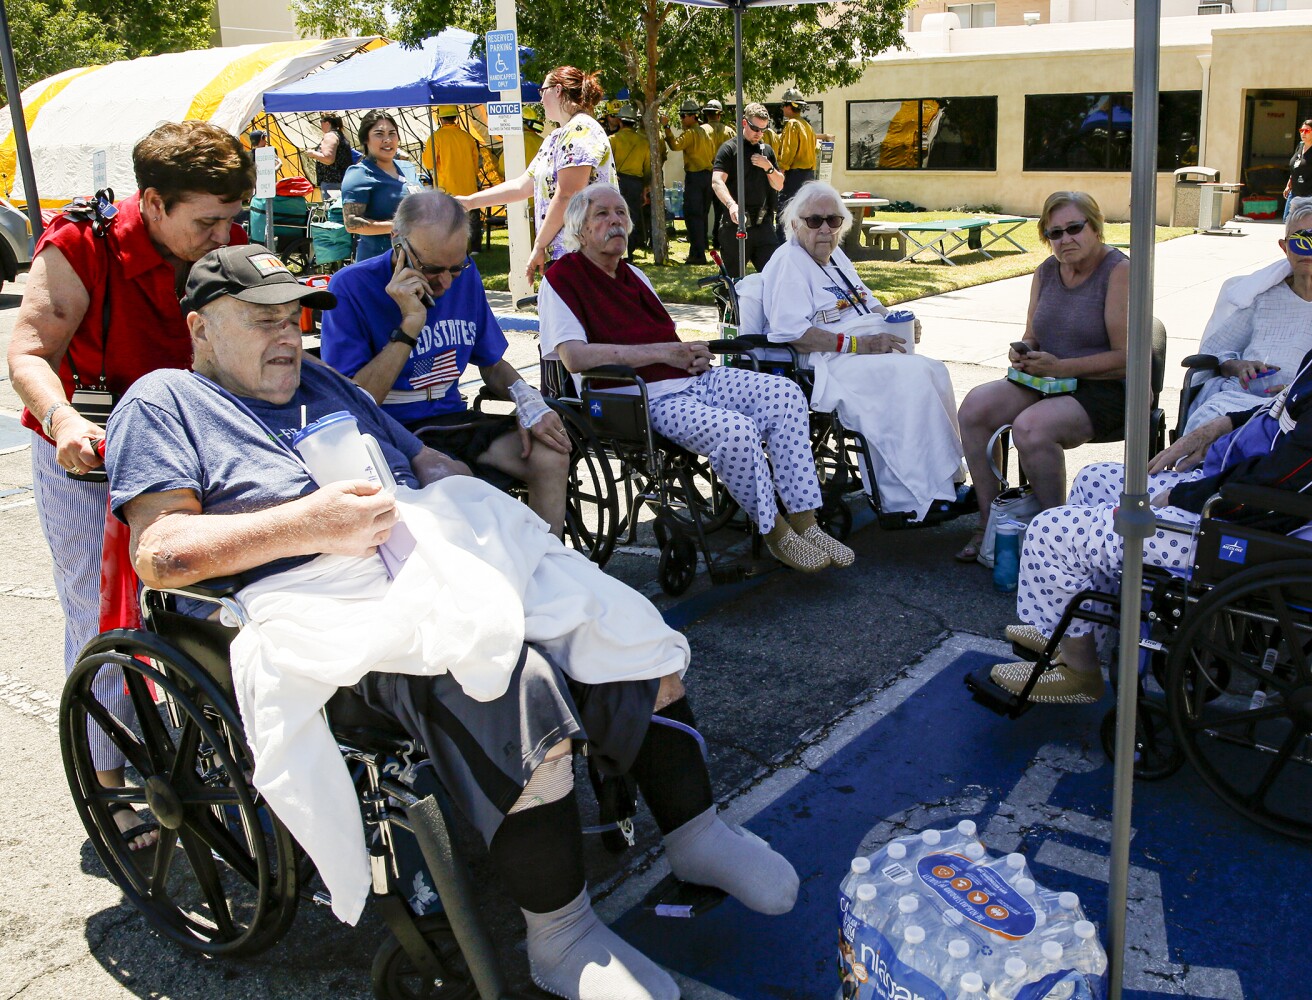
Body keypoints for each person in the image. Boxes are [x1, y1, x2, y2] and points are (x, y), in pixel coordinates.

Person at [105, 243, 802, 1000]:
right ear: (201, 327)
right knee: (513, 674)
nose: (288, 336)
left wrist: (445, 476)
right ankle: (561, 936)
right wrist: (311, 525)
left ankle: (697, 833)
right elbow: (163, 553)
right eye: (263, 320)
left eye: (295, 318)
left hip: (426, 549)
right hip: (322, 595)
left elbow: (418, 457)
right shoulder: (163, 401)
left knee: (621, 619)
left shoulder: (324, 380)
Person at [989, 198, 1312, 704]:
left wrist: (1189, 497)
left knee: (1052, 531)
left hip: (1256, 528)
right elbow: (1291, 412)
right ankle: (1076, 631)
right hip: (1254, 497)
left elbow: (1297, 477)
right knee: (1097, 479)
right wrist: (1213, 429)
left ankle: (1078, 671)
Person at [5, 120, 252, 854]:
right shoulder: (80, 247)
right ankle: (108, 783)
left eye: (231, 217)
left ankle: (213, 742)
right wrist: (60, 423)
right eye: (206, 221)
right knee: (102, 615)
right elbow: (27, 350)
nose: (223, 234)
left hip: (189, 447)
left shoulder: (217, 244)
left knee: (209, 606)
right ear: (151, 202)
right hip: (91, 451)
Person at [539, 183, 853, 573]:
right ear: (579, 228)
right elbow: (574, 357)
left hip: (689, 380)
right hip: (640, 397)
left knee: (786, 393)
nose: (616, 221)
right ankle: (776, 533)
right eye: (602, 214)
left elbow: (662, 341)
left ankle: (806, 521)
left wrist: (689, 352)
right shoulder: (562, 279)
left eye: (621, 213)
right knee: (737, 431)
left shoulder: (634, 275)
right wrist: (665, 354)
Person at [319, 190, 571, 533]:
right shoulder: (351, 287)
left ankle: (549, 565)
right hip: (390, 429)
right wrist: (409, 326)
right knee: (452, 478)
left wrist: (530, 403)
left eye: (456, 266)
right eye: (432, 268)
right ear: (397, 241)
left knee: (550, 453)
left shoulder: (464, 276)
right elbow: (357, 400)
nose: (446, 282)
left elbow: (492, 363)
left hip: (451, 417)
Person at [757, 182, 967, 524]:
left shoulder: (836, 256)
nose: (825, 229)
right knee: (909, 377)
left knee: (933, 370)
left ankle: (945, 482)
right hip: (827, 362)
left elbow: (867, 301)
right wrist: (860, 345)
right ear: (795, 225)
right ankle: (906, 498)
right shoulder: (788, 263)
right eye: (814, 221)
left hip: (861, 351)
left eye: (833, 220)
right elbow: (792, 334)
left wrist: (896, 322)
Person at [955, 191, 1128, 561]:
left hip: (1105, 387)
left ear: (1096, 228)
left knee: (1031, 427)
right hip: (1047, 380)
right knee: (974, 408)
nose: (1065, 240)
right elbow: (1033, 332)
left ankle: (1055, 537)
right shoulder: (1046, 271)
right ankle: (991, 524)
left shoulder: (1119, 272)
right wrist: (1023, 351)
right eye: (1054, 234)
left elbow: (1128, 358)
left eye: (1074, 229)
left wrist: (1062, 367)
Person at [1179, 196, 1312, 434]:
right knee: (1208, 423)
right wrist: (1239, 365)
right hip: (1240, 398)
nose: (1308, 248)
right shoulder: (1261, 296)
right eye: (1299, 239)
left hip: (1303, 407)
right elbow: (1217, 352)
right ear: (1284, 247)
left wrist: (1302, 390)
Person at [457, 66, 617, 286]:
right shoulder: (556, 137)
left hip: (585, 257)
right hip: (567, 258)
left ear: (558, 90)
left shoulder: (581, 130)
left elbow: (568, 194)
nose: (540, 100)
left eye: (543, 91)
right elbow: (522, 185)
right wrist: (469, 202)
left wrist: (539, 245)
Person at [712, 102, 785, 278]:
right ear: (744, 123)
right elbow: (717, 181)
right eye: (755, 129)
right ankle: (729, 306)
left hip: (763, 226)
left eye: (763, 130)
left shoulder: (766, 151)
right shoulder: (729, 149)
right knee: (733, 281)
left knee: (775, 278)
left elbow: (779, 184)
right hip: (736, 226)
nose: (759, 134)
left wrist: (768, 167)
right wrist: (731, 205)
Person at [342, 110, 423, 262]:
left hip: (416, 259)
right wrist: (398, 226)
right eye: (379, 134)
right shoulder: (359, 174)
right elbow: (352, 224)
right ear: (366, 139)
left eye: (392, 133)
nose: (387, 139)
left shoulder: (408, 168)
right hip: (378, 261)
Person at [420, 105, 485, 253]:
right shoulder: (467, 137)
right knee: (472, 220)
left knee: (448, 222)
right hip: (469, 187)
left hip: (447, 188)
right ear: (456, 117)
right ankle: (475, 248)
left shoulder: (436, 138)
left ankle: (451, 249)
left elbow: (429, 163)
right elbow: (477, 164)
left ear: (440, 118)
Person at [662, 97, 714, 265]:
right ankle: (697, 252)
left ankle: (698, 255)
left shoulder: (692, 133)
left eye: (684, 116)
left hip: (696, 178)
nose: (682, 120)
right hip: (708, 177)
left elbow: (676, 146)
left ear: (693, 116)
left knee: (693, 217)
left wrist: (667, 127)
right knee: (701, 216)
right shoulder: (707, 132)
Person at [609, 104, 650, 258]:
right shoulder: (644, 142)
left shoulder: (612, 140)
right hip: (636, 183)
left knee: (614, 217)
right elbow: (647, 168)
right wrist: (646, 188)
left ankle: (618, 251)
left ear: (620, 121)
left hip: (617, 182)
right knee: (631, 218)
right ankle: (630, 252)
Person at [775, 89, 818, 216]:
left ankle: (782, 236)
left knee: (785, 211)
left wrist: (781, 169)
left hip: (794, 176)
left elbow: (789, 149)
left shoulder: (792, 124)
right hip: (809, 174)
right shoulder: (807, 125)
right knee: (804, 212)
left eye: (784, 105)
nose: (782, 109)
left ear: (790, 106)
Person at [702, 99, 734, 246]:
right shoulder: (729, 131)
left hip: (704, 173)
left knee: (702, 211)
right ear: (719, 115)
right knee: (722, 210)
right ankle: (718, 240)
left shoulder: (700, 131)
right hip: (724, 175)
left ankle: (702, 242)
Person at [303, 113, 354, 203]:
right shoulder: (340, 135)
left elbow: (328, 159)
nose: (320, 124)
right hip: (343, 179)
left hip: (332, 182)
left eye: (321, 122)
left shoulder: (330, 136)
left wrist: (313, 153)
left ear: (327, 123)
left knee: (333, 210)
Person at [1283, 119, 1312, 215]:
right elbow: (1296, 167)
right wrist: (1289, 185)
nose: (1303, 133)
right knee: (1289, 221)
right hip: (1295, 193)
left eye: (1307, 131)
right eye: (1301, 130)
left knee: (1307, 226)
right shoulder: (1300, 146)